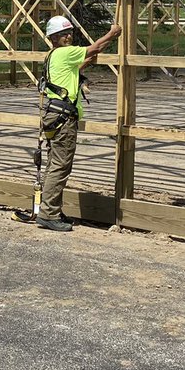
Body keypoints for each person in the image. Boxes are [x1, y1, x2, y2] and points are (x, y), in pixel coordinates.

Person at [36, 15, 122, 231]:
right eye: (64, 34)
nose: (68, 36)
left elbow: (79, 65)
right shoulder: (66, 52)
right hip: (62, 118)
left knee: (54, 163)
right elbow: (92, 49)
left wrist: (103, 45)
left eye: (69, 33)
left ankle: (51, 209)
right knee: (60, 165)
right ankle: (48, 214)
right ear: (54, 38)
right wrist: (111, 33)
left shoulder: (54, 55)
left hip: (53, 114)